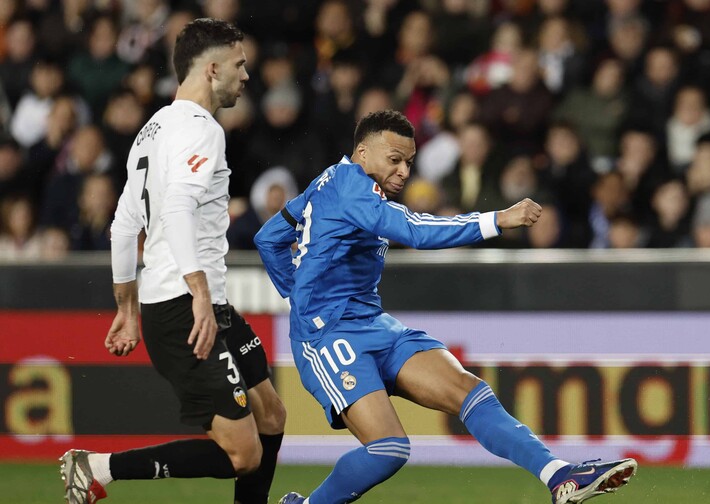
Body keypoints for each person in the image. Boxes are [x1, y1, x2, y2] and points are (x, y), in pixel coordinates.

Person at [254, 110, 637, 504]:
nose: (404, 172)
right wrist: (497, 219)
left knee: (470, 392)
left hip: (372, 322)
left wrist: (297, 291)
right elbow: (416, 231)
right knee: (388, 449)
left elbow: (269, 238)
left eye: (409, 162)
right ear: (363, 153)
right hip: (328, 335)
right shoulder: (352, 188)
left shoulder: (330, 181)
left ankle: (559, 476)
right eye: (394, 160)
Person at [59, 18, 286, 504]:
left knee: (271, 414)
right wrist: (198, 292)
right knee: (244, 455)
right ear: (211, 70)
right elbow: (179, 208)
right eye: (239, 64)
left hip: (199, 304)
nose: (247, 75)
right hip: (186, 308)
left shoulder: (152, 130)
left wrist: (126, 307)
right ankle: (99, 467)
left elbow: (124, 226)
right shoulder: (202, 130)